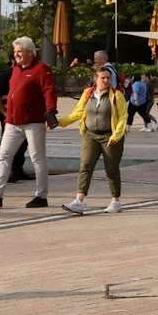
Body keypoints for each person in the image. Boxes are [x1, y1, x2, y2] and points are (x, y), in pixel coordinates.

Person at [0, 37, 57, 209]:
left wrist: (51, 112)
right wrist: (7, 114)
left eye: (19, 51)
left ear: (30, 52)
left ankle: (41, 196)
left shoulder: (41, 69)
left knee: (37, 159)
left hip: (33, 122)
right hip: (12, 122)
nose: (16, 54)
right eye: (15, 52)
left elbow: (49, 91)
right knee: (3, 156)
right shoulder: (16, 70)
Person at [59, 66, 128, 215]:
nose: (106, 80)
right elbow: (77, 113)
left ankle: (115, 201)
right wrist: (60, 122)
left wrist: (116, 136)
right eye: (102, 78)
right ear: (95, 79)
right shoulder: (87, 93)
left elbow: (123, 118)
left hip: (110, 137)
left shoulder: (117, 96)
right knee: (85, 166)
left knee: (111, 170)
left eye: (108, 78)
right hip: (90, 135)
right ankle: (78, 201)